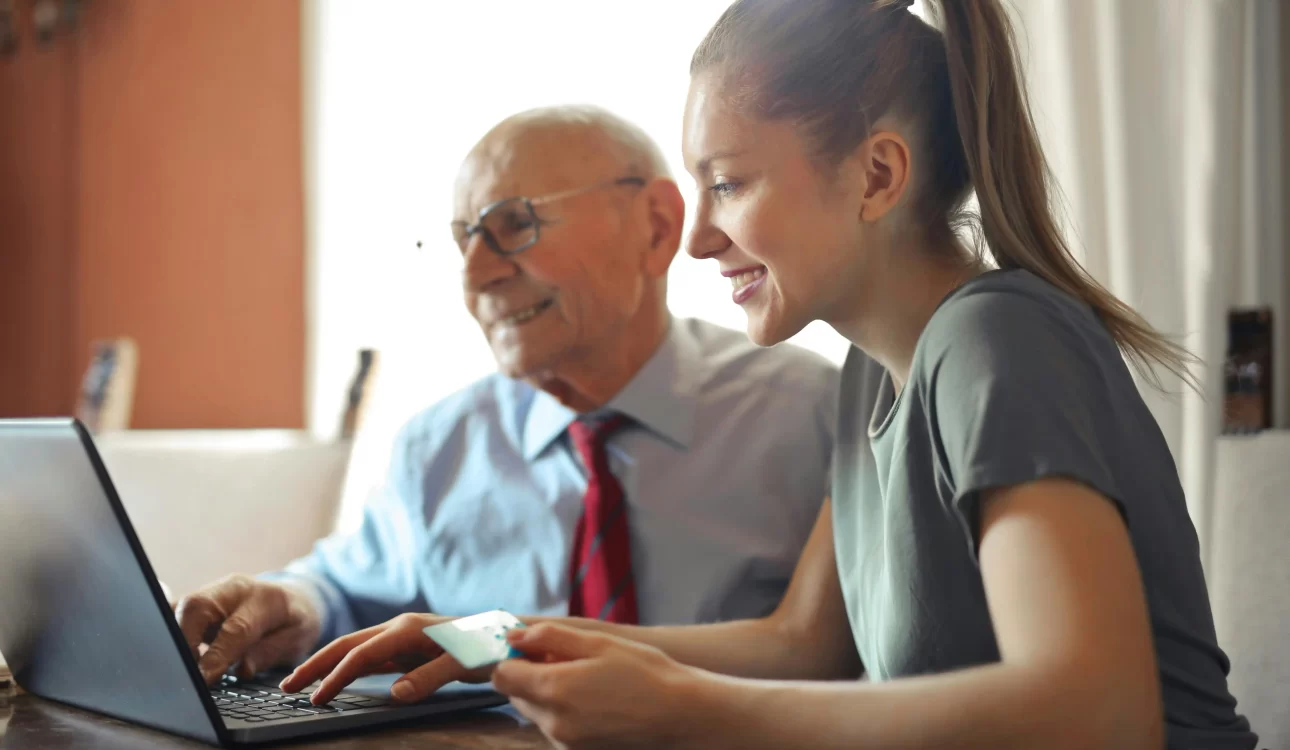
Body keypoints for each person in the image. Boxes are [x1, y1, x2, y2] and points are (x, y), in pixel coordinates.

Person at [282, 1, 1259, 748]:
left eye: (729, 182)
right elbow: (802, 643)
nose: (700, 237)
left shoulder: (997, 342)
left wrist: (684, 709)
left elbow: (1099, 712)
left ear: (877, 177)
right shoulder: (875, 374)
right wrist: (488, 639)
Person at [174, 105, 838, 688]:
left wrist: (488, 641)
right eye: (465, 239)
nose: (476, 276)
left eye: (513, 225)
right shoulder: (439, 444)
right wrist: (293, 604)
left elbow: (833, 656)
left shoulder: (812, 414)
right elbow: (347, 589)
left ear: (658, 226)